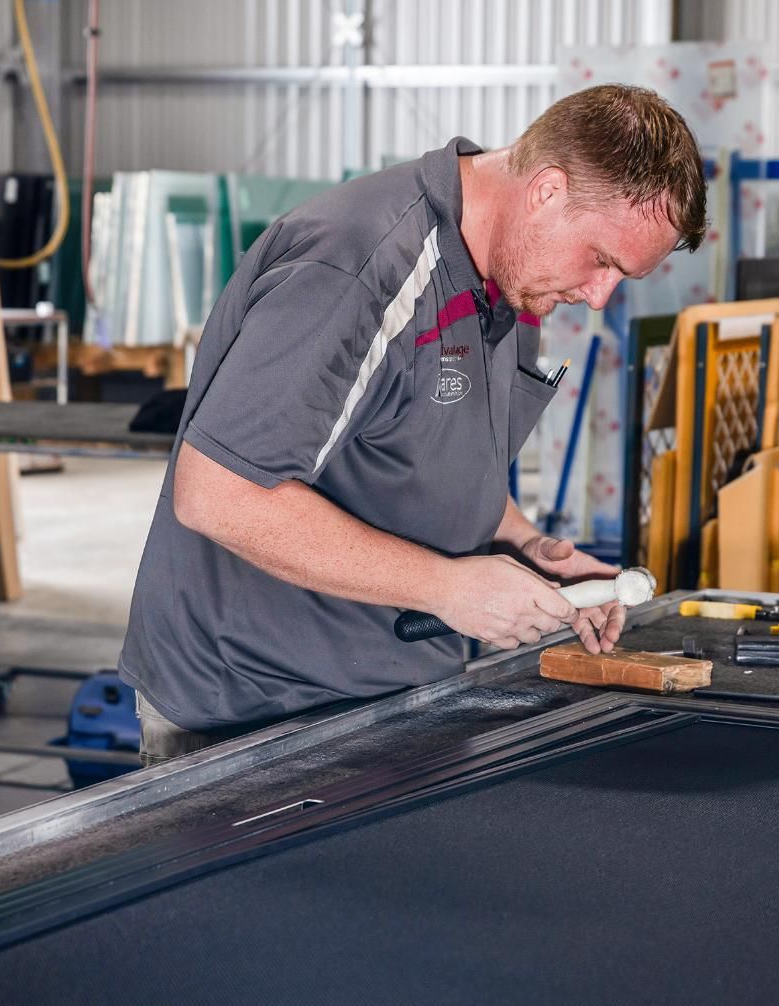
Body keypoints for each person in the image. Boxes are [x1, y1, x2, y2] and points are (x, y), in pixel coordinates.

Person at [120, 83, 707, 765]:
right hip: (254, 713)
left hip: (386, 697)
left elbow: (428, 452)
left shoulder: (508, 279)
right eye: (602, 260)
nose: (599, 296)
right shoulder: (357, 266)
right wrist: (450, 588)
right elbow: (217, 493)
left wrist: (527, 549)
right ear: (547, 191)